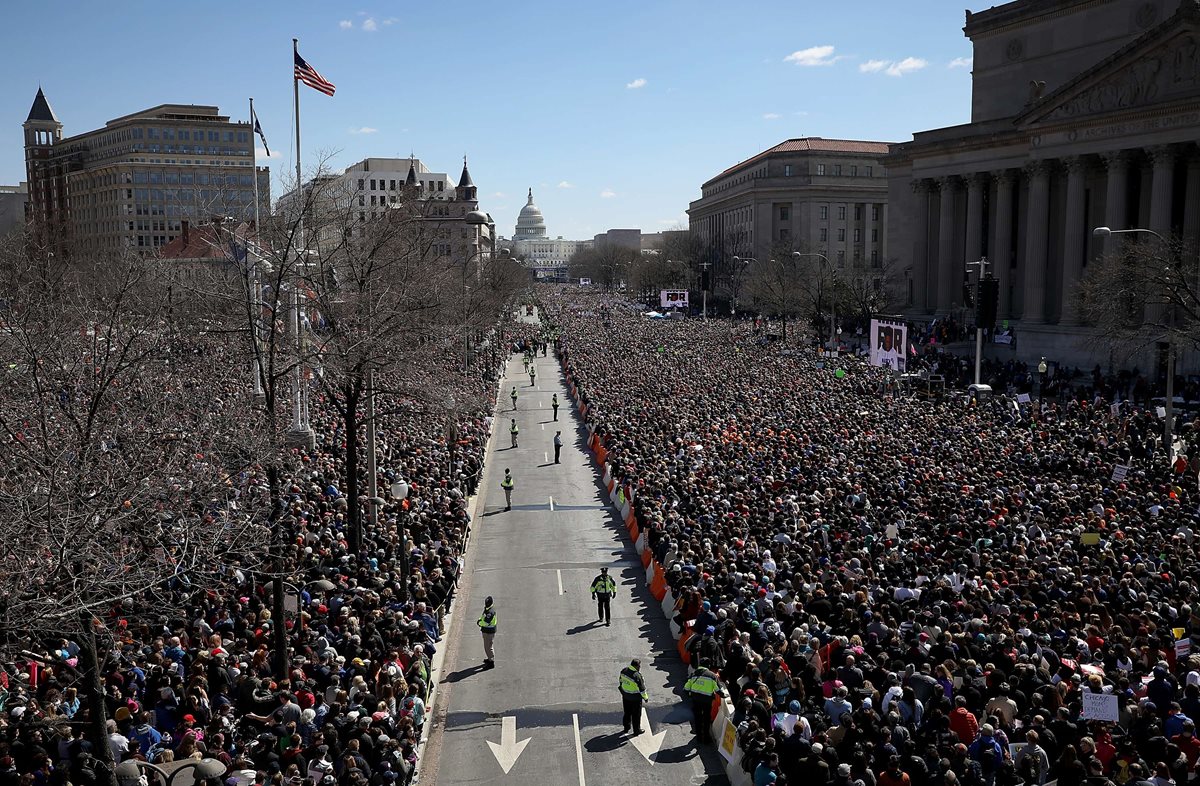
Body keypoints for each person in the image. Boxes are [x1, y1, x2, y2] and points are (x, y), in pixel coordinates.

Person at [684, 662, 723, 743]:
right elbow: (718, 690)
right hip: (707, 702)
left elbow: (686, 688)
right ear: (708, 666)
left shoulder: (693, 674)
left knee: (697, 718)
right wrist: (724, 696)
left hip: (696, 701)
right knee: (706, 719)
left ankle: (699, 737)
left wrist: (691, 695)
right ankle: (706, 738)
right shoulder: (712, 676)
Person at [619, 658, 648, 735]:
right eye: (639, 666)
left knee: (627, 712)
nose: (640, 667)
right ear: (637, 666)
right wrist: (645, 698)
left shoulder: (624, 671)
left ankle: (626, 728)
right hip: (635, 699)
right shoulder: (637, 676)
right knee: (636, 715)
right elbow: (642, 689)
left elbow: (620, 681)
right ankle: (636, 730)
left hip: (625, 696)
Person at [477, 596, 498, 668]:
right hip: (487, 630)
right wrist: (480, 620)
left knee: (488, 647)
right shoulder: (488, 609)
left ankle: (491, 662)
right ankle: (489, 658)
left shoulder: (490, 612)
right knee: (488, 646)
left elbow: (486, 622)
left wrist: (479, 623)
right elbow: (483, 617)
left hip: (489, 631)